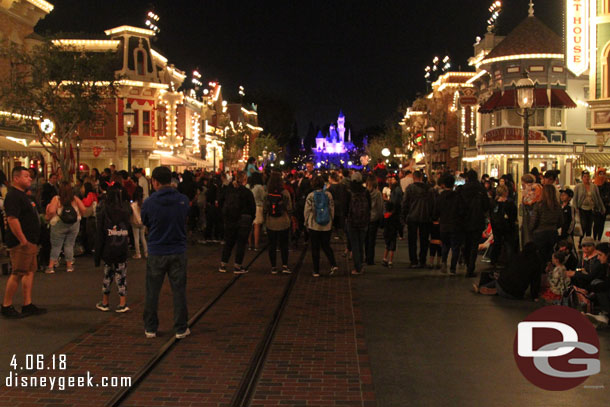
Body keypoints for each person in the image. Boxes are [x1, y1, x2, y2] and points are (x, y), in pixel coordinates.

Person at [141, 166, 191, 339]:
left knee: (152, 291)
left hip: (156, 250)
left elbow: (145, 221)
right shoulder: (182, 200)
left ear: (155, 182)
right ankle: (180, 327)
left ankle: (150, 327)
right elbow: (186, 218)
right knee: (179, 291)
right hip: (177, 249)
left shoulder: (149, 202)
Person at [1, 167, 46, 318]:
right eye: (26, 176)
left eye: (29, 176)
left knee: (29, 271)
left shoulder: (24, 195)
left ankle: (27, 303)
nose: (29, 179)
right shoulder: (13, 196)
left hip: (30, 240)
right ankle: (6, 305)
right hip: (21, 242)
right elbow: (12, 219)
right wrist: (22, 239)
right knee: (18, 272)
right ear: (16, 178)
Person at [94, 186, 132, 313]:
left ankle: (105, 302)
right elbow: (129, 230)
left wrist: (97, 256)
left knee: (107, 275)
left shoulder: (104, 212)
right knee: (121, 275)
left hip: (108, 249)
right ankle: (122, 302)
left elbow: (100, 235)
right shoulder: (125, 211)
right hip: (121, 248)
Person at [45, 181, 86, 273]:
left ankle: (51, 266)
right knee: (69, 245)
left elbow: (51, 211)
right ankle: (69, 266)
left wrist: (47, 218)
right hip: (74, 224)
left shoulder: (57, 199)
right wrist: (80, 216)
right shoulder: (75, 199)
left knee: (56, 246)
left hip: (59, 224)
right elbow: (83, 209)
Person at [219, 171, 256, 274]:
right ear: (244, 179)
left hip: (230, 220)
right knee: (241, 244)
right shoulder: (247, 192)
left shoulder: (229, 190)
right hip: (243, 221)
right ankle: (237, 266)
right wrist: (252, 218)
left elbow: (221, 201)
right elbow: (252, 208)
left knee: (228, 243)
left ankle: (223, 264)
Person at [304, 175, 339, 277]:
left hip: (314, 225)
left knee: (315, 248)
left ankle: (316, 270)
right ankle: (333, 264)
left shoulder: (310, 196)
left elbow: (307, 211)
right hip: (326, 225)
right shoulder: (328, 195)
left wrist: (306, 222)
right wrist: (331, 220)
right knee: (326, 245)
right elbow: (332, 209)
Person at [458, 170, 490, 277]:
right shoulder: (481, 189)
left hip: (465, 220)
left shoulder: (463, 189)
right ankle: (471, 266)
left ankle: (468, 264)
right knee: (474, 244)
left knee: (466, 243)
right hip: (477, 220)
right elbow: (486, 205)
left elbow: (459, 206)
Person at [402, 170, 435, 268]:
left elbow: (405, 203)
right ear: (421, 177)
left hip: (412, 216)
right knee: (424, 240)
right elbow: (433, 204)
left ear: (413, 177)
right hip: (425, 217)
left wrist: (404, 215)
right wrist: (432, 216)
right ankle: (422, 260)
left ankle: (413, 261)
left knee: (412, 240)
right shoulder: (429, 189)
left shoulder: (410, 189)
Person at [264, 172, 293, 274]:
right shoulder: (285, 192)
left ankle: (273, 267)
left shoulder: (267, 193)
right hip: (283, 222)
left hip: (270, 222)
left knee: (272, 245)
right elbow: (289, 208)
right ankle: (284, 265)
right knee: (284, 245)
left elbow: (265, 208)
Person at [529, 184, 563, 266]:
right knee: (550, 256)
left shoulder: (539, 205)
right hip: (552, 233)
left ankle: (542, 274)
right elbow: (561, 221)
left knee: (540, 257)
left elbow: (534, 221)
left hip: (540, 233)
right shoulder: (557, 206)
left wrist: (531, 230)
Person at [346, 172, 371, 275]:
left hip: (352, 221)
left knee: (354, 244)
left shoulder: (349, 192)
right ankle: (360, 264)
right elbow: (369, 206)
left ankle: (358, 267)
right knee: (361, 244)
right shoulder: (366, 192)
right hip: (364, 221)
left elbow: (346, 207)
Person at [436, 174, 462, 274]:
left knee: (445, 245)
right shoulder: (457, 196)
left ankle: (443, 262)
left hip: (443, 224)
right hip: (455, 224)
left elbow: (436, 210)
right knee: (455, 246)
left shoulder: (440, 196)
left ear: (444, 184)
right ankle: (453, 267)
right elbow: (461, 210)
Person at [489, 184, 518, 268]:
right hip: (508, 226)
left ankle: (494, 260)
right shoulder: (510, 203)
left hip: (496, 226)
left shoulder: (494, 203)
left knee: (497, 243)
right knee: (509, 243)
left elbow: (491, 215)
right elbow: (513, 215)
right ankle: (509, 261)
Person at [573, 170, 605, 246]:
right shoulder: (578, 187)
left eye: (588, 176)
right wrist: (575, 208)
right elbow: (575, 198)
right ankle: (580, 241)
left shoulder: (594, 187)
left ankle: (588, 242)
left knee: (589, 226)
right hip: (582, 209)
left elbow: (598, 198)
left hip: (591, 208)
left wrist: (601, 208)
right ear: (582, 178)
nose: (586, 178)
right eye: (585, 177)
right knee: (583, 225)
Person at [365, 175, 383, 265]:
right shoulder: (378, 193)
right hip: (374, 218)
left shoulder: (365, 192)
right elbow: (380, 207)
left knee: (365, 239)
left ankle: (365, 256)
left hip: (365, 218)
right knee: (372, 240)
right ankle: (370, 259)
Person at [248, 172, 265, 251]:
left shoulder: (248, 186)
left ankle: (249, 244)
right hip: (258, 206)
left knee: (249, 226)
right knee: (257, 226)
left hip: (249, 207)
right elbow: (264, 197)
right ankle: (256, 245)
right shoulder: (259, 187)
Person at [131, 186, 148, 259]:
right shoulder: (144, 203)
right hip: (143, 222)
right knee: (143, 237)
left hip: (135, 222)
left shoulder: (133, 205)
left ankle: (138, 254)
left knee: (136, 238)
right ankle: (146, 253)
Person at [382, 200, 399, 268]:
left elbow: (381, 224)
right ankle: (390, 261)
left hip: (386, 233)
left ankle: (384, 258)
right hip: (393, 233)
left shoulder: (385, 216)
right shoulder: (394, 217)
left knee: (387, 246)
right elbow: (398, 225)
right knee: (392, 248)